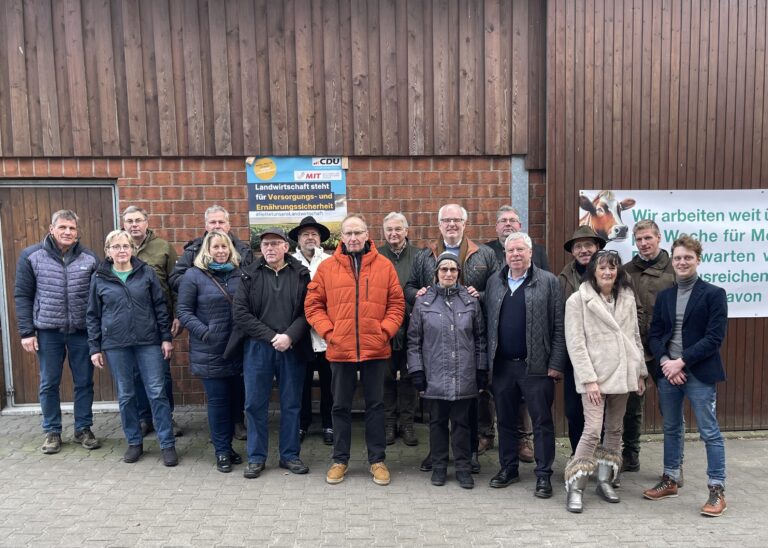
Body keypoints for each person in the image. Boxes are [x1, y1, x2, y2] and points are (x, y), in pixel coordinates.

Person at [305, 214, 405, 486]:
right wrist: (329, 332)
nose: (353, 238)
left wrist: (384, 331)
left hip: (375, 350)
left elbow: (396, 304)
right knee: (340, 407)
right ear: (341, 238)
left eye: (357, 232)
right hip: (340, 349)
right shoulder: (327, 268)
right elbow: (313, 305)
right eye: (348, 233)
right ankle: (340, 460)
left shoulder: (384, 266)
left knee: (375, 406)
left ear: (367, 235)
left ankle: (377, 460)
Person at [405, 203, 497, 473]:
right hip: (436, 334)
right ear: (439, 224)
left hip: (468, 333)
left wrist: (478, 293)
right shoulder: (426, 255)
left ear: (465, 223)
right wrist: (420, 294)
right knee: (438, 410)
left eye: (457, 220)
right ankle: (437, 454)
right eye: (446, 220)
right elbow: (409, 287)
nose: (452, 224)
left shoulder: (485, 254)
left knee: (466, 409)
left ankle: (468, 455)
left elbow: (498, 287)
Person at [643, 235, 728, 518]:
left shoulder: (714, 294)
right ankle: (670, 477)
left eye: (688, 258)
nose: (682, 262)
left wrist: (682, 362)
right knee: (671, 427)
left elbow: (714, 338)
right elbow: (655, 335)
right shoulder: (666, 295)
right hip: (669, 372)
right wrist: (667, 362)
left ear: (698, 260)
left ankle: (716, 489)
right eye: (678, 258)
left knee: (709, 432)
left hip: (698, 372)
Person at [563, 250, 646, 513]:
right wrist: (589, 380)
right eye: (603, 268)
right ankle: (576, 486)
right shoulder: (578, 300)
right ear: (593, 272)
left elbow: (634, 336)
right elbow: (575, 344)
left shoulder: (627, 298)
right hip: (595, 378)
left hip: (623, 374)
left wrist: (640, 372)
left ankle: (605, 479)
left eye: (612, 268)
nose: (608, 272)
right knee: (591, 430)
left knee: (614, 430)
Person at [484, 232, 565, 498]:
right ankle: (508, 468)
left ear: (530, 253)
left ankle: (543, 475)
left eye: (520, 250)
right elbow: (487, 326)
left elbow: (559, 327)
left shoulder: (549, 282)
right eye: (511, 251)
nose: (515, 255)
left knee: (541, 422)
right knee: (505, 420)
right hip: (503, 366)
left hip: (537, 367)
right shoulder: (495, 282)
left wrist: (555, 363)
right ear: (504, 255)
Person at [86, 230, 177, 466]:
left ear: (132, 249)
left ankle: (167, 444)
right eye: (115, 247)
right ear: (108, 251)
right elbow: (93, 315)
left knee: (157, 392)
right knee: (126, 395)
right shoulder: (100, 277)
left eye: (125, 246)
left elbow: (160, 306)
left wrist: (165, 338)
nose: (121, 250)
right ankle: (134, 442)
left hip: (148, 342)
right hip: (116, 345)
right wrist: (94, 347)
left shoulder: (145, 272)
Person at [14, 210, 100, 454]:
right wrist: (26, 332)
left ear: (77, 232)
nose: (67, 232)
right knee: (49, 382)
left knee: (84, 381)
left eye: (72, 228)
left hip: (81, 331)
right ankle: (52, 431)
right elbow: (22, 295)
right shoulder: (31, 256)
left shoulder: (89, 258)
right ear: (51, 229)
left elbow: (96, 298)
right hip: (47, 331)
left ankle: (83, 428)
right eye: (62, 227)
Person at [233, 227, 312, 479]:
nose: (269, 248)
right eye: (265, 244)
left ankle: (290, 455)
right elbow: (241, 314)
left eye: (275, 244)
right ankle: (256, 457)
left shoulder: (301, 274)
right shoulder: (248, 275)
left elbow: (307, 311)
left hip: (291, 346)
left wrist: (289, 336)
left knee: (291, 404)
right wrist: (271, 336)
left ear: (286, 248)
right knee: (254, 403)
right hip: (258, 347)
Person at [169, 204, 252, 439]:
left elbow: (252, 284)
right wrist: (199, 281)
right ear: (206, 227)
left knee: (240, 385)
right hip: (211, 332)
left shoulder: (243, 250)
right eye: (213, 223)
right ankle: (222, 438)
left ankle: (238, 422)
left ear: (229, 225)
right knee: (218, 393)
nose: (217, 226)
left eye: (221, 222)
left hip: (238, 333)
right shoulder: (193, 251)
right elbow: (176, 279)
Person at [407, 252, 487, 489]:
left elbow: (480, 338)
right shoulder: (424, 302)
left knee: (462, 423)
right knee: (437, 422)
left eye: (453, 270)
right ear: (436, 274)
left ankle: (463, 467)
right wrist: (417, 371)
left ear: (459, 274)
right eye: (444, 270)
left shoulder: (470, 301)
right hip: (435, 374)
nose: (449, 274)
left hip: (464, 373)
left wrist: (481, 369)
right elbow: (414, 340)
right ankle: (439, 467)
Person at [483, 205, 551, 461]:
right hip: (500, 354)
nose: (508, 224)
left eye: (513, 220)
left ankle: (529, 448)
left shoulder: (543, 267)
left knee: (534, 411)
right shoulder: (486, 252)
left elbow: (548, 306)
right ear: (496, 227)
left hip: (532, 356)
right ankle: (502, 457)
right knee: (499, 403)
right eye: (503, 221)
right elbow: (489, 296)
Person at [176, 231, 244, 473]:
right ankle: (222, 451)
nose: (221, 251)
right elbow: (184, 311)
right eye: (215, 246)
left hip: (237, 349)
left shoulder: (239, 274)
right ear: (207, 249)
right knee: (218, 403)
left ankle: (229, 446)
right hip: (210, 350)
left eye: (224, 247)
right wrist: (206, 333)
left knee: (235, 403)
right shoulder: (194, 276)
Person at [122, 205, 182, 438]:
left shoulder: (163, 248)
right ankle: (144, 418)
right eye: (129, 221)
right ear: (124, 224)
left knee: (162, 374)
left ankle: (166, 418)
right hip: (128, 324)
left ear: (147, 222)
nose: (134, 224)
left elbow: (176, 285)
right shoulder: (119, 246)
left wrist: (177, 315)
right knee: (136, 373)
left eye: (138, 220)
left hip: (159, 321)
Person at [621, 219, 676, 473]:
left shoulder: (674, 270)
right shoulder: (626, 270)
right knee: (632, 406)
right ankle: (630, 453)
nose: (643, 243)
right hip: (635, 349)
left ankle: (675, 464)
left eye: (648, 238)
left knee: (671, 408)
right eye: (639, 239)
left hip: (667, 351)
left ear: (659, 237)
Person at [558, 226, 606, 454]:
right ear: (573, 251)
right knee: (574, 411)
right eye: (578, 246)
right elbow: (558, 319)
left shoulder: (612, 274)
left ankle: (604, 459)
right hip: (575, 356)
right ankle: (579, 457)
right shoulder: (563, 279)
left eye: (588, 245)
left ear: (597, 248)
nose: (584, 250)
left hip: (605, 356)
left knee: (604, 412)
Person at [289, 216, 334, 445]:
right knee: (301, 383)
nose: (310, 237)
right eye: (305, 234)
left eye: (314, 234)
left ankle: (329, 424)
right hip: (300, 335)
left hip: (326, 334)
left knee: (329, 383)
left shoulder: (330, 261)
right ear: (298, 239)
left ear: (320, 239)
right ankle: (302, 424)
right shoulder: (290, 262)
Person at [379, 212, 420, 446]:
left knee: (408, 375)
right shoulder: (376, 255)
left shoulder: (419, 256)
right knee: (384, 376)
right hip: (383, 328)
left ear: (406, 231)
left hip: (412, 326)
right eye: (389, 230)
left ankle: (407, 423)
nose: (393, 233)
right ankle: (387, 422)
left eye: (398, 229)